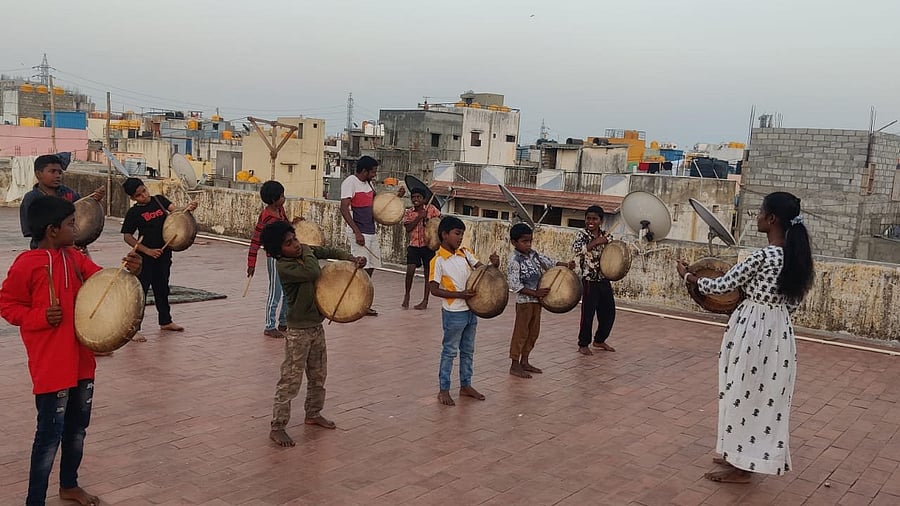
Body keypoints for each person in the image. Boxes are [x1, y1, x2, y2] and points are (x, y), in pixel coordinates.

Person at [0, 195, 141, 506]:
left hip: (81, 361)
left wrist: (131, 269)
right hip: (50, 366)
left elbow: (104, 282)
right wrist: (38, 317)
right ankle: (34, 500)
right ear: (52, 230)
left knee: (77, 430)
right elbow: (7, 305)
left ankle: (69, 485)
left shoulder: (74, 257)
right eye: (70, 224)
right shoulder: (26, 264)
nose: (75, 228)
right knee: (49, 436)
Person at [677, 191, 814, 483]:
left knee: (740, 391)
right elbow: (794, 303)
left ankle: (741, 465)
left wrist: (689, 277)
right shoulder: (795, 257)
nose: (758, 217)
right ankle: (739, 454)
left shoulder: (763, 257)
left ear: (772, 219)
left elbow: (721, 285)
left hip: (752, 329)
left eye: (761, 212)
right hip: (779, 332)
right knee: (763, 397)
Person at [260, 220, 367, 447]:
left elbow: (328, 251)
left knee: (318, 375)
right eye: (289, 243)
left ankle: (313, 413)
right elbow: (311, 270)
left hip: (316, 326)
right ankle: (278, 426)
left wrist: (350, 258)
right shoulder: (285, 266)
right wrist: (309, 249)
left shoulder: (303, 251)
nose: (296, 245)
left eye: (295, 239)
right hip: (298, 332)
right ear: (278, 252)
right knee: (290, 379)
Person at [429, 216, 499, 406]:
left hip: (471, 309)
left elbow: (481, 270)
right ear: (444, 235)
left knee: (468, 350)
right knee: (450, 351)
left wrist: (494, 265)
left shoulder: (465, 252)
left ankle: (465, 385)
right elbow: (434, 289)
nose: (460, 238)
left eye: (462, 234)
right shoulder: (438, 260)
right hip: (453, 311)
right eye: (456, 234)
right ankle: (444, 389)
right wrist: (460, 295)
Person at [121, 177, 197, 337]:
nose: (145, 195)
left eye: (144, 190)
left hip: (163, 254)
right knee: (140, 292)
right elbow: (127, 236)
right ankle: (134, 329)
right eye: (139, 195)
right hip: (144, 259)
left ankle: (165, 321)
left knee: (162, 288)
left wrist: (188, 208)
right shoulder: (134, 213)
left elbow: (176, 212)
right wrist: (147, 250)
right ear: (133, 198)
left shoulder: (159, 200)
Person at [507, 223, 575, 378]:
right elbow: (515, 285)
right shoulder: (514, 261)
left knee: (533, 332)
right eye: (524, 242)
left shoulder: (534, 255)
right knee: (521, 332)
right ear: (514, 242)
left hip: (537, 302)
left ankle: (525, 360)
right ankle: (514, 364)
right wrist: (535, 293)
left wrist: (566, 265)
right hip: (525, 302)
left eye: (530, 241)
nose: (528, 244)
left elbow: (550, 262)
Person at [339, 155, 404, 316]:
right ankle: (354, 301)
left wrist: (397, 196)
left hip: (370, 229)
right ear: (364, 171)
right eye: (373, 171)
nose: (375, 174)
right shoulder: (350, 182)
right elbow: (344, 208)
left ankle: (363, 300)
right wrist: (356, 231)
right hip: (359, 230)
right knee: (361, 266)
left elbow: (378, 204)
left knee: (371, 266)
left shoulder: (368, 184)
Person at [20, 154, 105, 250]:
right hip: (44, 250)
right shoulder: (32, 198)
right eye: (52, 172)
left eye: (60, 172)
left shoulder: (69, 193)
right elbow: (31, 230)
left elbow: (81, 211)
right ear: (38, 174)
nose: (57, 176)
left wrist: (94, 199)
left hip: (73, 248)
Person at [247, 180, 291, 338]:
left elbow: (286, 227)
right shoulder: (266, 217)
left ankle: (284, 321)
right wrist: (251, 263)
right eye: (282, 196)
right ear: (273, 199)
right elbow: (256, 240)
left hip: (286, 256)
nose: (284, 198)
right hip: (274, 258)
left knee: (287, 290)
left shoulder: (281, 211)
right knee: (275, 291)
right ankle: (269, 325)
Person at [572, 205, 617, 355]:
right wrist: (597, 242)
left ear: (601, 221)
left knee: (609, 312)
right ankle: (583, 343)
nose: (591, 221)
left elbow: (614, 252)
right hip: (589, 280)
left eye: (594, 219)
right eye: (588, 218)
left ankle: (599, 340)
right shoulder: (581, 234)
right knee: (588, 314)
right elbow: (578, 250)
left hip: (604, 278)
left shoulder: (607, 236)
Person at [401, 187, 441, 310]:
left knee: (428, 273)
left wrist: (428, 220)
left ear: (424, 199)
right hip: (414, 246)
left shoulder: (432, 210)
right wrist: (419, 217)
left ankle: (425, 300)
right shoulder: (409, 212)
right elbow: (408, 228)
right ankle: (407, 295)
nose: (415, 199)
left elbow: (439, 223)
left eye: (418, 197)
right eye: (413, 197)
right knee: (410, 271)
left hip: (428, 246)